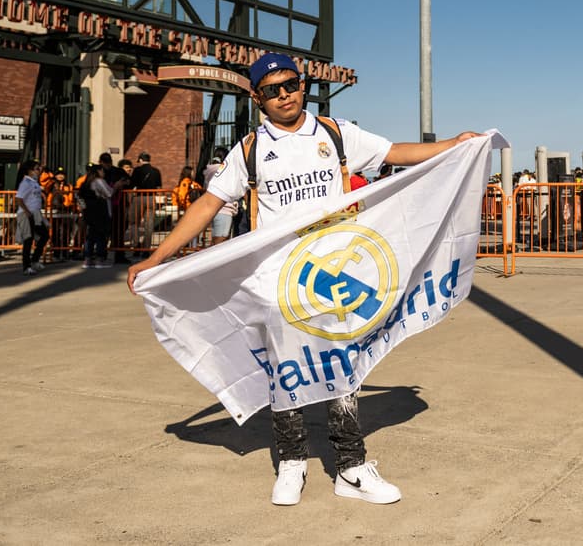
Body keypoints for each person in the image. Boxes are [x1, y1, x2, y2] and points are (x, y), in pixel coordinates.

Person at [126, 52, 478, 507]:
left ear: (303, 86)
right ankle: (291, 462)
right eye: (272, 89)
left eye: (290, 84)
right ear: (257, 98)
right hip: (278, 277)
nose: (284, 95)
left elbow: (394, 153)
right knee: (286, 373)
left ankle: (351, 467)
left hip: (334, 272)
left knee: (343, 366)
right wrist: (156, 258)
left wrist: (456, 143)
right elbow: (209, 205)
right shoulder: (250, 150)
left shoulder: (334, 133)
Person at [14, 160, 49, 276]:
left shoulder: (34, 182)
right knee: (28, 240)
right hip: (27, 214)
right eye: (36, 169)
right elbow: (19, 199)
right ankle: (26, 267)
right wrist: (27, 212)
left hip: (36, 213)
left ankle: (34, 260)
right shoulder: (26, 183)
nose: (39, 171)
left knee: (44, 235)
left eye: (39, 168)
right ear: (30, 170)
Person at [76, 163, 114, 268]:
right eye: (102, 171)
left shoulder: (85, 183)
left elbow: (79, 197)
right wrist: (115, 186)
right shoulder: (99, 181)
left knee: (90, 236)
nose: (103, 173)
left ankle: (88, 259)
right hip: (100, 211)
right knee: (101, 235)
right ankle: (99, 259)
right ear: (98, 171)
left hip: (89, 212)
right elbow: (109, 193)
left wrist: (84, 209)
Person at [203, 148, 237, 244]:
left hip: (212, 209)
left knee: (215, 238)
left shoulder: (208, 171)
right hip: (225, 208)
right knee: (221, 241)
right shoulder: (226, 170)